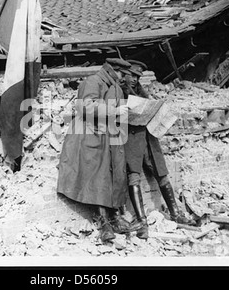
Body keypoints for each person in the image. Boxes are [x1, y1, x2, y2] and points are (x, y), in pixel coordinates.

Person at [57, 58, 134, 243]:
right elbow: (86, 107)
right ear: (113, 70)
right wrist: (115, 110)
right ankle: (103, 222)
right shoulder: (92, 81)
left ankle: (114, 217)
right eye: (122, 74)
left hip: (108, 134)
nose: (123, 78)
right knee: (98, 176)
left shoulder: (114, 85)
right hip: (89, 135)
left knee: (114, 175)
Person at [119, 59, 196, 239]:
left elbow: (148, 103)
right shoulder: (118, 90)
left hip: (148, 138)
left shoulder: (138, 89)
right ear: (125, 74)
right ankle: (141, 221)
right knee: (133, 176)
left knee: (161, 172)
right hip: (130, 140)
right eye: (133, 76)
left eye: (138, 77)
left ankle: (176, 214)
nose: (135, 80)